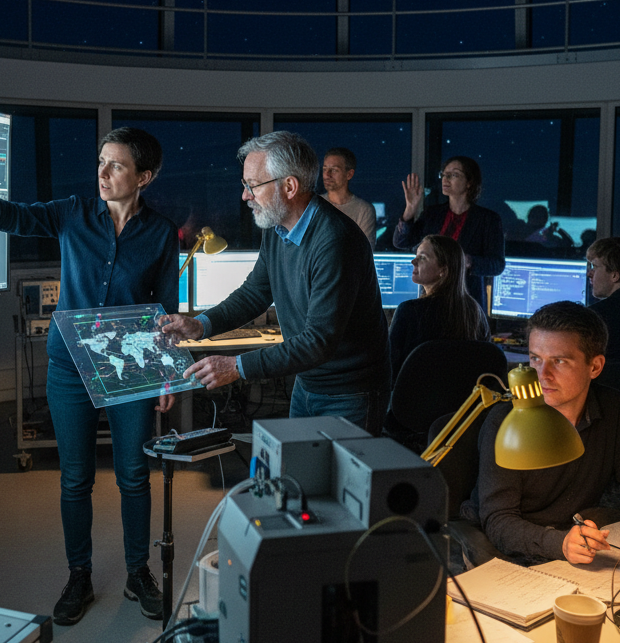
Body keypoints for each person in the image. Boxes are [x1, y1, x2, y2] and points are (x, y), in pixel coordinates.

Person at [0, 128, 177, 627]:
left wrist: (163, 377)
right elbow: (10, 216)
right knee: (75, 478)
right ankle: (79, 574)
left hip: (131, 366)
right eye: (100, 161)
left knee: (133, 476)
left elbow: (164, 309)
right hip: (70, 366)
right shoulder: (74, 212)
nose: (101, 172)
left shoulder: (161, 234)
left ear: (145, 176)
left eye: (116, 165)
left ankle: (138, 572)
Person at [159, 131, 390, 432]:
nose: (244, 195)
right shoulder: (277, 228)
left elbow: (317, 342)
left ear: (290, 186)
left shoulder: (334, 241)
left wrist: (236, 366)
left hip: (351, 391)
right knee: (303, 476)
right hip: (308, 384)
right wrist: (201, 325)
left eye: (252, 185)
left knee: (342, 480)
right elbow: (255, 292)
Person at [461, 301, 620, 566]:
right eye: (535, 358)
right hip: (506, 549)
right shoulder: (507, 421)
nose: (542, 375)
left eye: (559, 361)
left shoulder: (614, 409)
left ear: (595, 366)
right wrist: (559, 543)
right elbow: (498, 519)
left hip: (571, 542)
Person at [394, 155, 505, 308]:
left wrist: (468, 261)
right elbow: (401, 242)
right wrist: (410, 210)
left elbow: (497, 265)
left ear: (470, 183)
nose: (446, 179)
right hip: (430, 300)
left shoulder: (487, 219)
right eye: (444, 174)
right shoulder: (433, 214)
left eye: (454, 174)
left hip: (466, 303)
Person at [387, 235, 490, 382]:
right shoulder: (474, 310)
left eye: (422, 258)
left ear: (443, 270)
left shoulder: (409, 311)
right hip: (464, 403)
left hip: (413, 401)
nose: (413, 261)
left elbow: (389, 370)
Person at [321, 146, 377, 248]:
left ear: (349, 174)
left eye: (334, 170)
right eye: (325, 169)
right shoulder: (313, 206)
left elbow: (364, 252)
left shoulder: (363, 210)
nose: (327, 175)